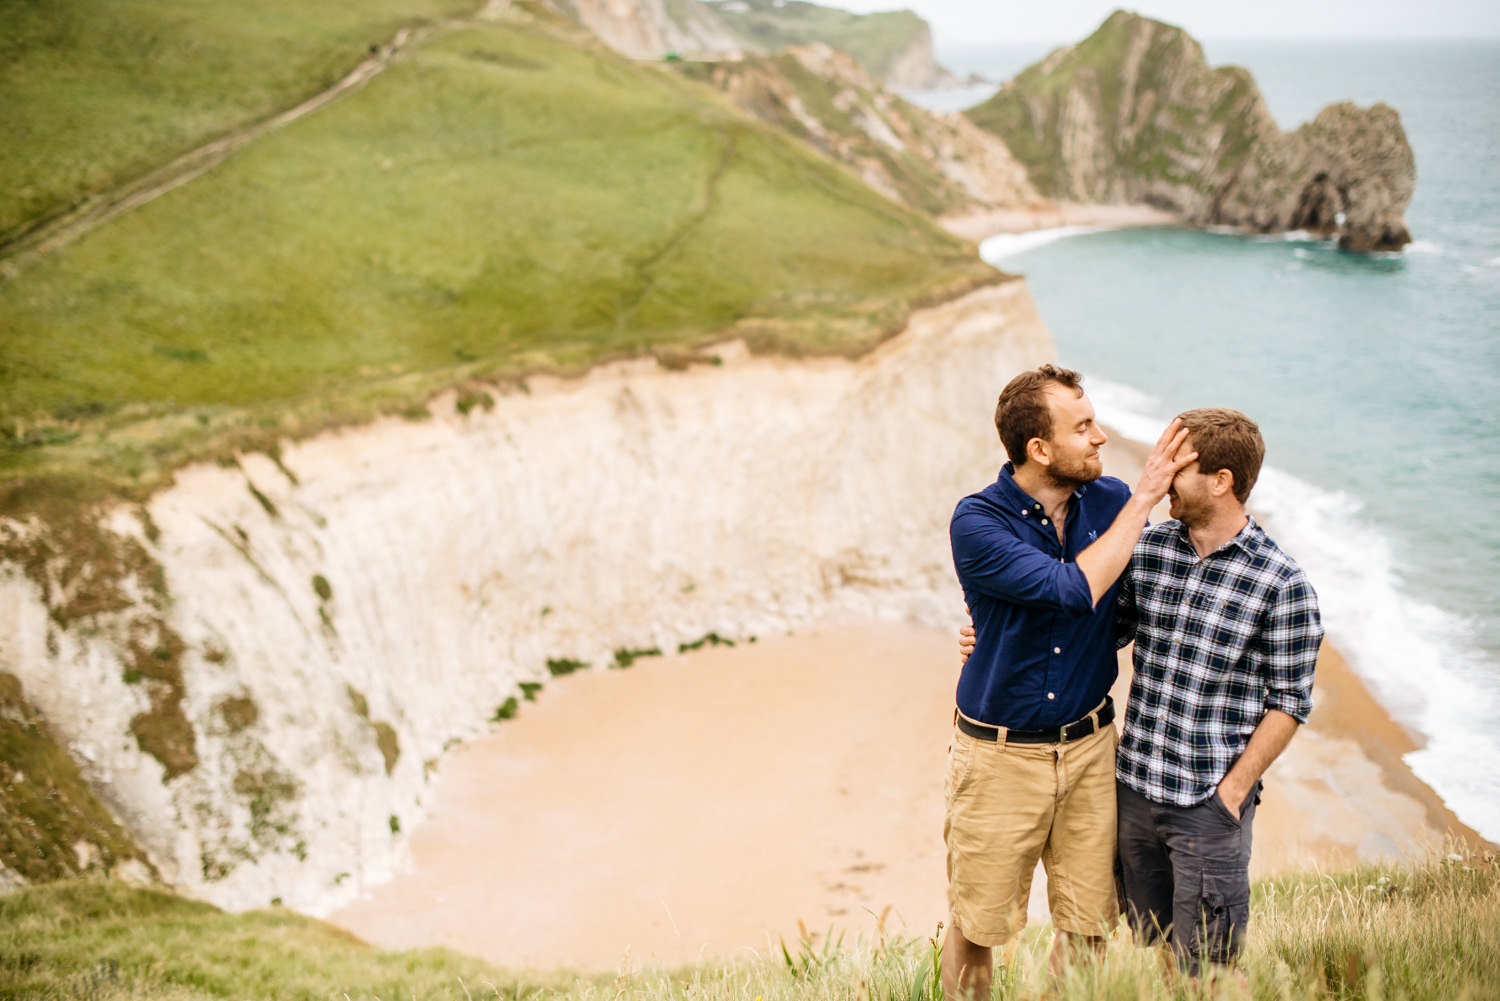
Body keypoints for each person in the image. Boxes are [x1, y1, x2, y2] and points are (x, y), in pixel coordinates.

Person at [943, 364, 1194, 1001]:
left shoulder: (1108, 502)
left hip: (1090, 749)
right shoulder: (977, 522)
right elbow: (1070, 590)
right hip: (998, 756)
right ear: (1039, 449)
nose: (1100, 437)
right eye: (1082, 427)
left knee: (1089, 924)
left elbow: (1149, 584)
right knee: (980, 926)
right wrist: (1144, 499)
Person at [1113, 408, 1322, 978]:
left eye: (1173, 468)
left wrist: (1232, 792)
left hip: (1207, 805)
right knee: (1151, 947)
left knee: (1207, 967)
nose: (1158, 480)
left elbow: (1290, 701)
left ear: (1221, 480)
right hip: (1132, 790)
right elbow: (1104, 632)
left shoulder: (1281, 583)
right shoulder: (1150, 549)